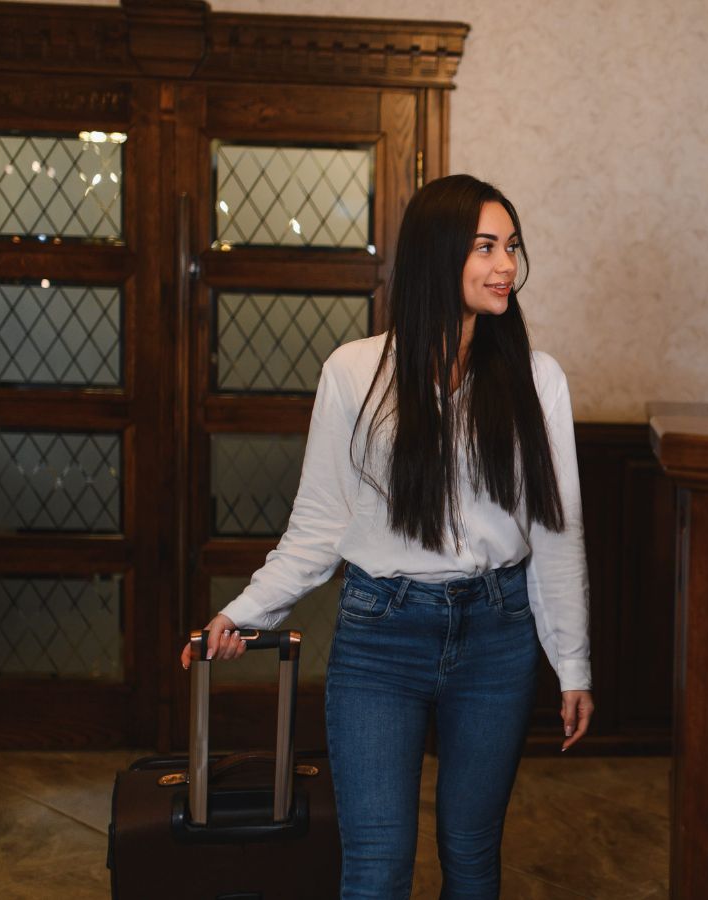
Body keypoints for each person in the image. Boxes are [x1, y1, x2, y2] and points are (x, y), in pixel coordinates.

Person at [178, 173, 593, 899]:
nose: (506, 267)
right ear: (438, 255)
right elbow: (318, 522)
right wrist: (247, 610)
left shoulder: (537, 378)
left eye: (513, 248)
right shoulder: (354, 370)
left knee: (471, 858)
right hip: (382, 634)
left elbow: (555, 533)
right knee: (376, 867)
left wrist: (573, 663)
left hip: (497, 634)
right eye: (486, 247)